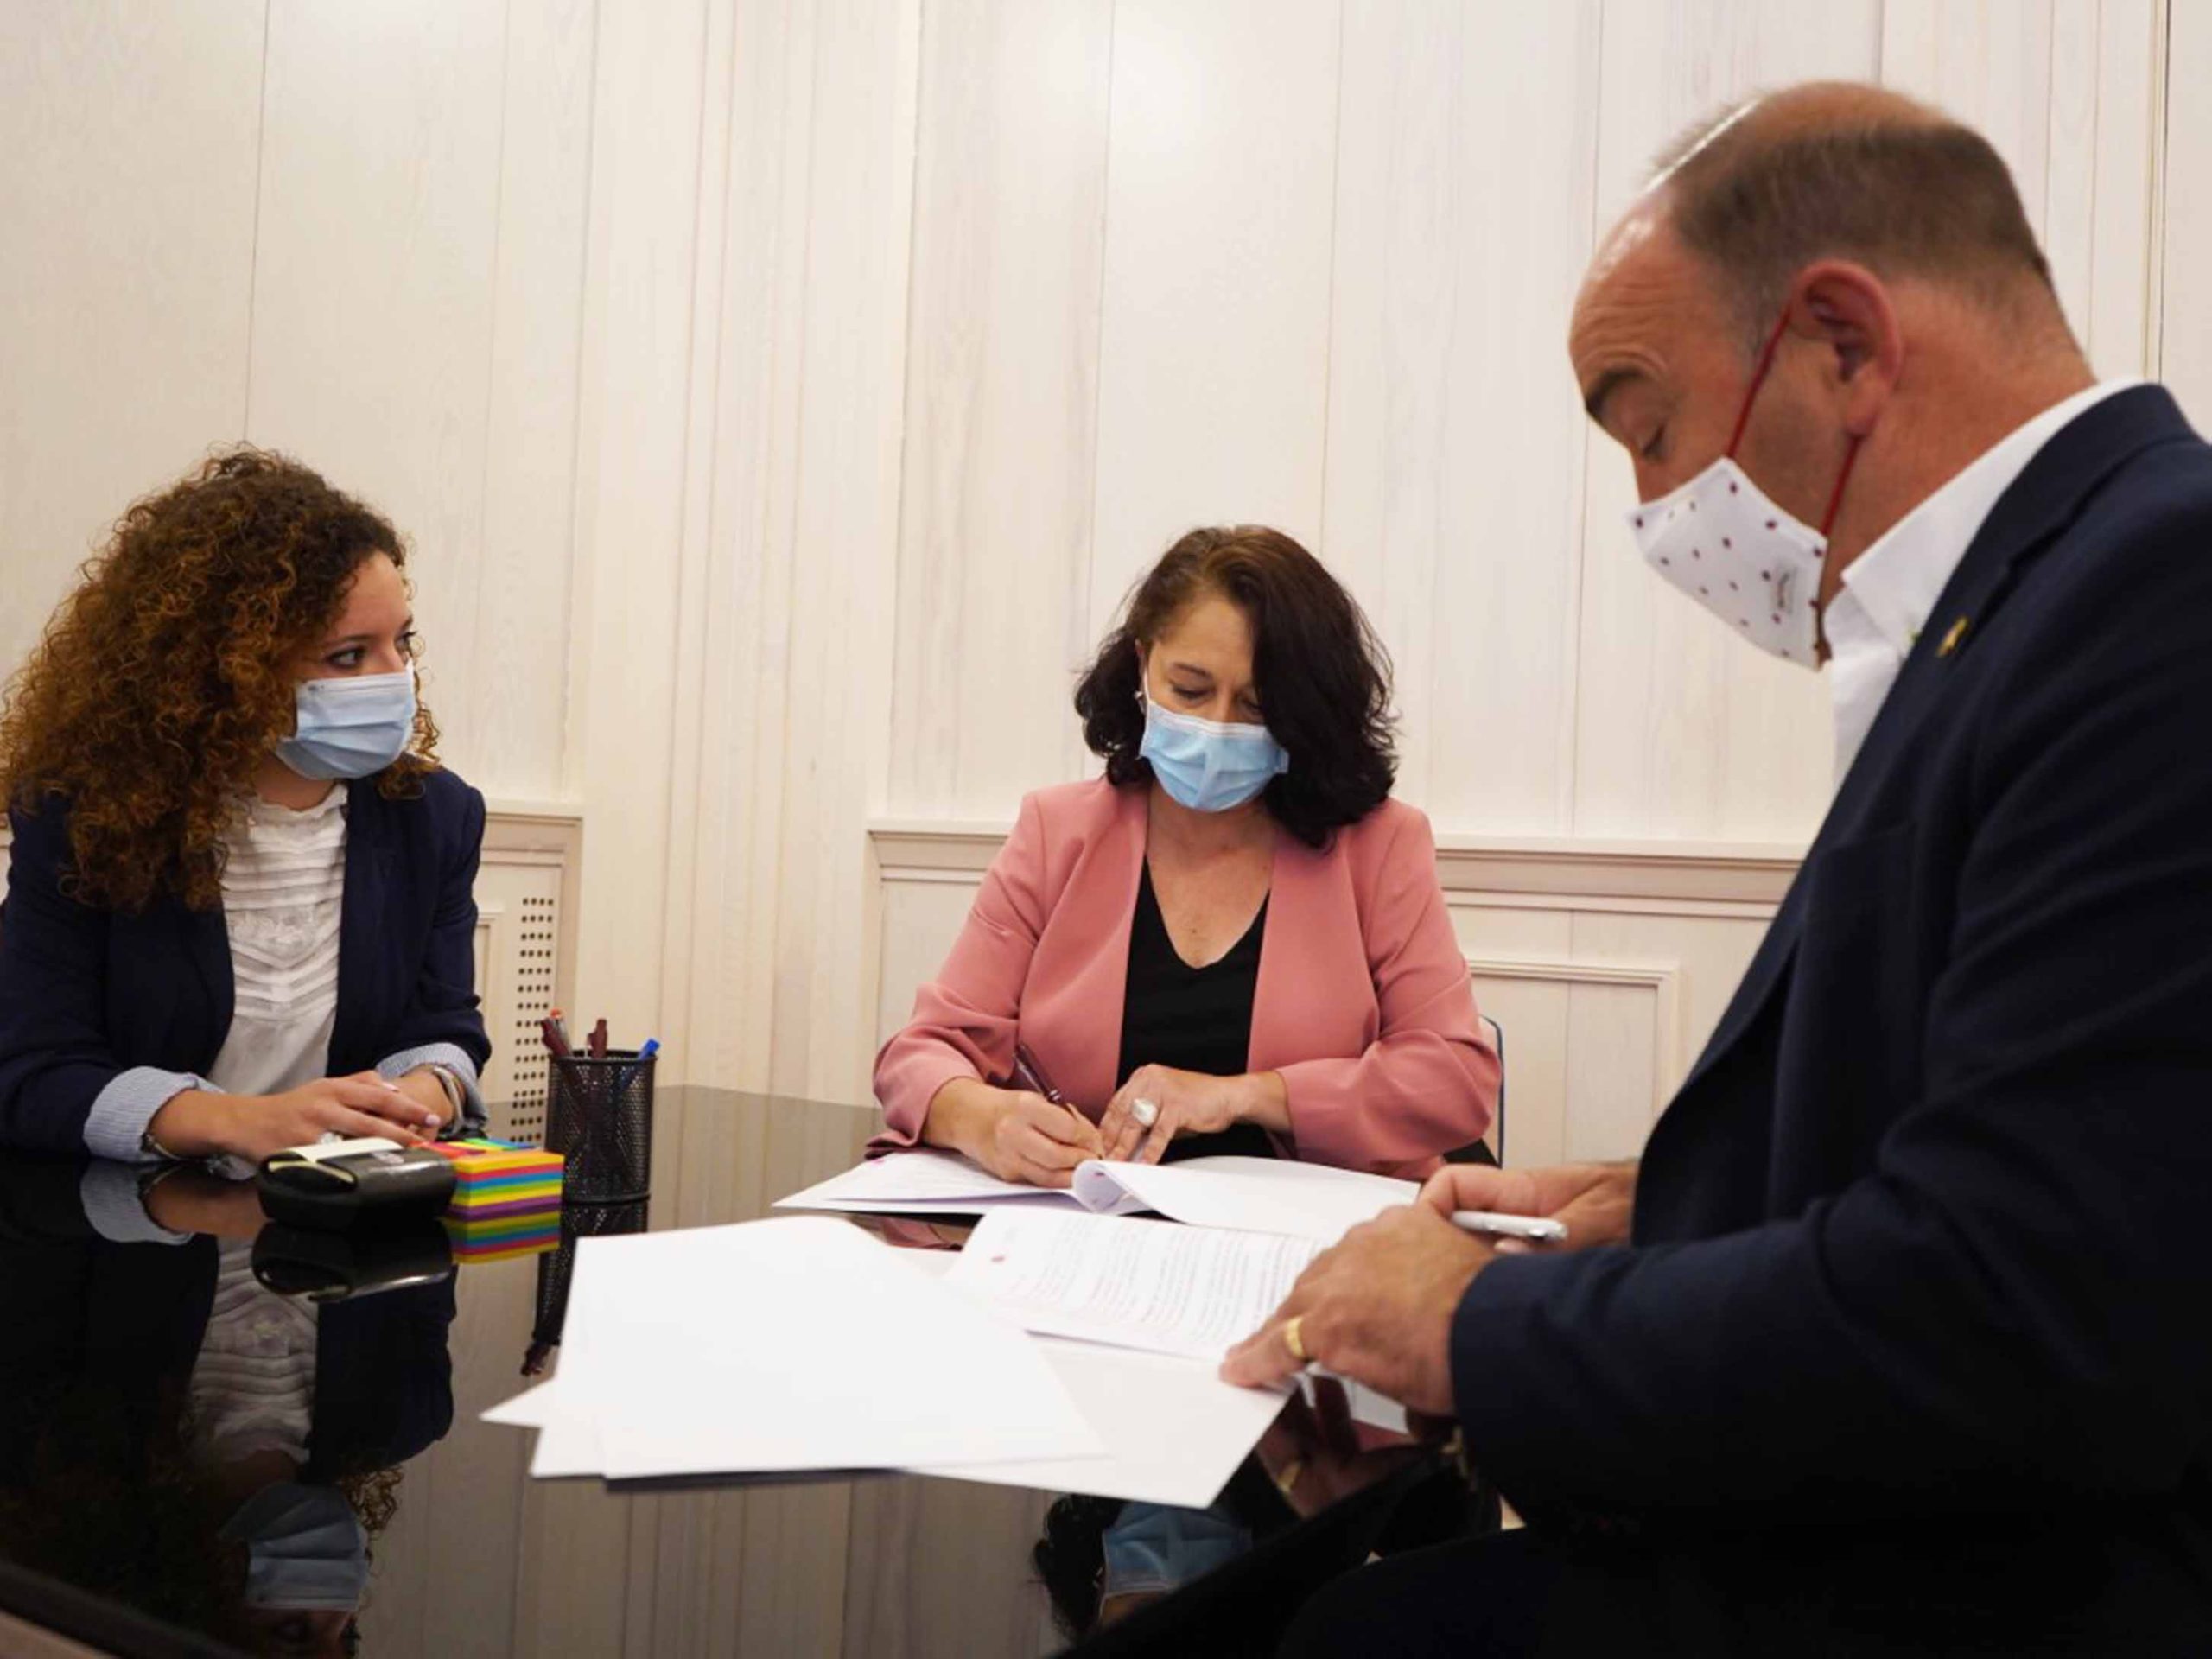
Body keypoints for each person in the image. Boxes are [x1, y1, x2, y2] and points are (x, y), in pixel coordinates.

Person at [1224, 83, 2212, 1654]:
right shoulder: (2033, 605)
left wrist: (1483, 1327)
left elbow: (2024, 1308)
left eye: (1652, 429)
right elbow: (2018, 1139)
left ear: (1844, 342)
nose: (1656, 512)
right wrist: (1659, 1210)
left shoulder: (2157, 589)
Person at [874, 525, 1498, 1185]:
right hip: (1089, 1235)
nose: (1219, 729)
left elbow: (1455, 1081)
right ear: (1144, 664)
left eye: (1258, 707)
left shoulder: (1378, 847)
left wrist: (1244, 1094)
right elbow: (921, 1053)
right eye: (1191, 690)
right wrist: (985, 1120)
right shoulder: (1056, 833)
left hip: (1313, 1248)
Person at [0, 448, 491, 1164]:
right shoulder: (87, 815)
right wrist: (233, 1121)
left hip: (346, 1238)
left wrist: (419, 1091)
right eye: (349, 656)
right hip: (132, 1244)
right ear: (226, 669)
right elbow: (35, 1072)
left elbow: (444, 1023)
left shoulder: (436, 815)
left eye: (402, 642)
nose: (398, 680)